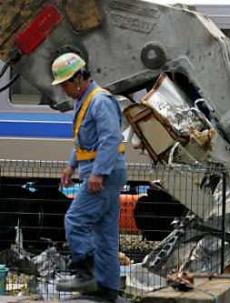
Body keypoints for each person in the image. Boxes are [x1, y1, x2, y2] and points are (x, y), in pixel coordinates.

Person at [52, 52, 127, 301]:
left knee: (75, 220)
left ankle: (85, 275)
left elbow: (111, 139)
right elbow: (85, 142)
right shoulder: (86, 101)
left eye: (64, 84)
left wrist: (98, 173)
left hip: (104, 173)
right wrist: (71, 166)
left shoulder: (99, 101)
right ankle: (108, 289)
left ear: (78, 78)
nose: (63, 90)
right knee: (104, 233)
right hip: (102, 171)